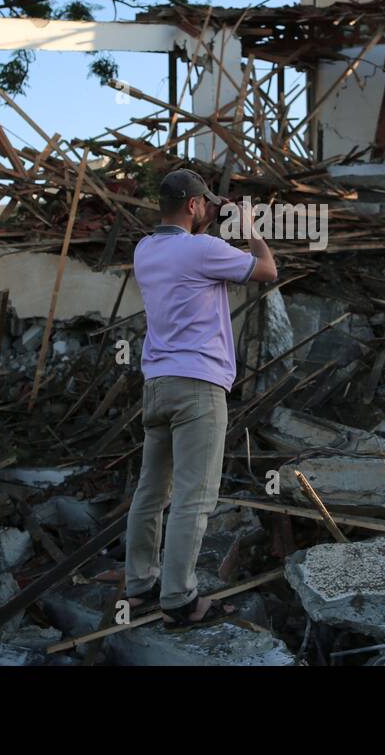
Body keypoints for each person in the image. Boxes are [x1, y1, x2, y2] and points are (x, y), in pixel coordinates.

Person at [125, 169, 277, 630]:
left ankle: (139, 584)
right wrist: (249, 225)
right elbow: (267, 270)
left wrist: (211, 216)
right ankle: (179, 600)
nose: (210, 209)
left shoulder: (145, 250)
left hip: (157, 386)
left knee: (151, 492)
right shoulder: (204, 250)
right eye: (205, 203)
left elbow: (190, 255)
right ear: (193, 205)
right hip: (198, 388)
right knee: (195, 496)